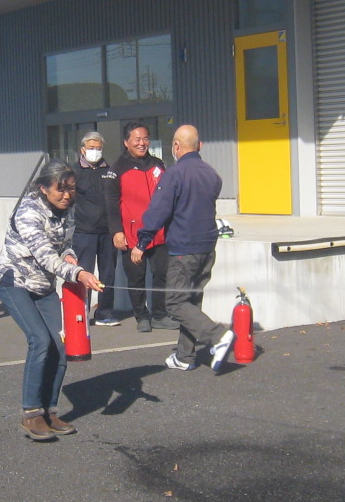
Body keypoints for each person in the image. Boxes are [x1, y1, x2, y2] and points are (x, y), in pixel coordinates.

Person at [0, 160, 104, 441]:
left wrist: (71, 257)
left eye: (71, 190)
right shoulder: (28, 211)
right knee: (40, 340)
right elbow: (45, 255)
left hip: (42, 285)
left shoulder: (68, 210)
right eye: (60, 190)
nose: (67, 195)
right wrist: (78, 273)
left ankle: (50, 410)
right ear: (43, 188)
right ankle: (31, 413)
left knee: (61, 343)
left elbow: (65, 246)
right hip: (12, 280)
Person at [131, 124, 235, 372]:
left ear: (176, 147)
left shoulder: (174, 174)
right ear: (200, 146)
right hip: (207, 247)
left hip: (184, 249)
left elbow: (158, 212)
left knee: (176, 303)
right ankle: (185, 356)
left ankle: (218, 335)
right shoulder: (212, 174)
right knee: (191, 301)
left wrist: (142, 243)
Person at [108, 121, 176, 333]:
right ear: (126, 142)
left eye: (145, 138)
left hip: (159, 233)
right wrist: (116, 231)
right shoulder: (117, 169)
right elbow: (110, 202)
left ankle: (159, 314)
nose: (142, 143)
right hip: (131, 234)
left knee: (162, 274)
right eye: (137, 139)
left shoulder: (158, 164)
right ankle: (141, 316)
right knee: (136, 278)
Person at [69, 130, 120, 325]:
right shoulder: (74, 172)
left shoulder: (110, 171)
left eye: (98, 148)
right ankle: (81, 312)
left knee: (108, 273)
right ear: (82, 149)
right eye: (91, 148)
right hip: (83, 232)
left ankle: (105, 313)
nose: (95, 152)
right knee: (84, 273)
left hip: (108, 232)